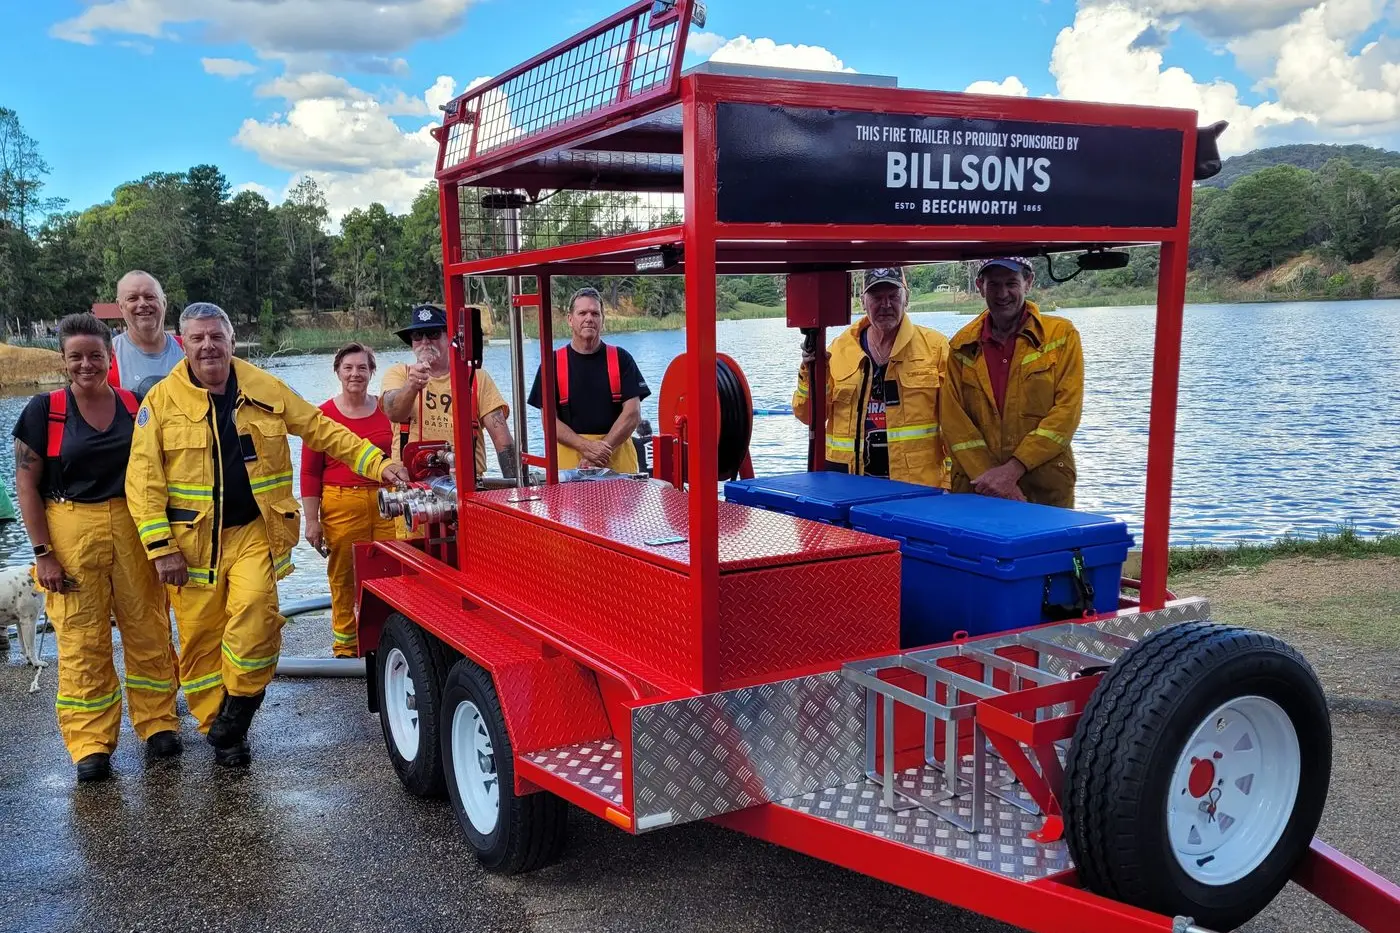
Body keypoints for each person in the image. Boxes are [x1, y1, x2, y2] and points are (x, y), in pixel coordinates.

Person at [126, 302, 410, 767]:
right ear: (183, 343)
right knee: (199, 643)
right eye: (197, 338)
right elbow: (142, 480)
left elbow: (322, 430)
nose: (208, 346)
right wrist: (161, 548)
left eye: (216, 336)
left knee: (258, 618)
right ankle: (218, 729)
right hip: (191, 545)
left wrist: (378, 464)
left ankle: (236, 714)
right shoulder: (160, 402)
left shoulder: (264, 387)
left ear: (231, 340)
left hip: (254, 532)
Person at [12, 313, 182, 783]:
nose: (86, 364)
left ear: (111, 357)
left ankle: (158, 723)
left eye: (95, 355)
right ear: (63, 360)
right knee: (81, 639)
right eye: (76, 357)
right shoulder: (44, 412)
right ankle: (90, 741)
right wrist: (43, 552)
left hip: (133, 524)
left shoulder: (135, 404)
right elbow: (26, 485)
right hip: (70, 527)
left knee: (147, 625)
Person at [940, 257, 1084, 508]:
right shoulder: (961, 345)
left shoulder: (1062, 335)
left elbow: (1066, 414)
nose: (1002, 293)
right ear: (980, 286)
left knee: (1048, 548)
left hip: (1045, 488)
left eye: (1011, 283)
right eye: (993, 284)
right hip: (979, 488)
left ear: (1028, 283)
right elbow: (955, 424)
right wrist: (993, 482)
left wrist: (1013, 470)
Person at [792, 268, 949, 486]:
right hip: (846, 488)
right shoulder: (837, 350)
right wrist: (809, 372)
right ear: (862, 302)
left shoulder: (936, 348)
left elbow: (956, 424)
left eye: (893, 296)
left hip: (917, 491)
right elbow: (808, 416)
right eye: (876, 297)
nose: (885, 305)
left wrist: (950, 483)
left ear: (906, 299)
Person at [302, 343, 398, 658]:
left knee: (389, 570)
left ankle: (386, 639)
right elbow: (309, 473)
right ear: (338, 372)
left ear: (372, 372)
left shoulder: (388, 410)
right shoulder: (322, 416)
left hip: (387, 501)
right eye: (348, 368)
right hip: (341, 504)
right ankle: (346, 645)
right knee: (343, 574)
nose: (355, 374)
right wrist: (312, 521)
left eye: (361, 368)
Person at [381, 303, 517, 482]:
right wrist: (412, 386)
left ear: (449, 337)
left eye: (433, 334)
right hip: (411, 487)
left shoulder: (476, 378)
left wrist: (518, 489)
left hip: (466, 484)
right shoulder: (399, 374)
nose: (425, 341)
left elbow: (503, 442)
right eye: (417, 335)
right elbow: (394, 412)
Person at [528, 286, 649, 472]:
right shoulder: (551, 363)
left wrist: (601, 451)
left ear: (602, 320)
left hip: (618, 466)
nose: (589, 319)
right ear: (570, 319)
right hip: (570, 469)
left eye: (595, 313)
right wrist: (586, 448)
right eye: (582, 313)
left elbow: (632, 414)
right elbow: (549, 421)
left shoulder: (621, 359)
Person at [110, 270, 184, 399]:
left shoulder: (189, 349)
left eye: (150, 297)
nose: (143, 304)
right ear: (120, 306)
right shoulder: (107, 356)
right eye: (132, 298)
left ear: (164, 302)